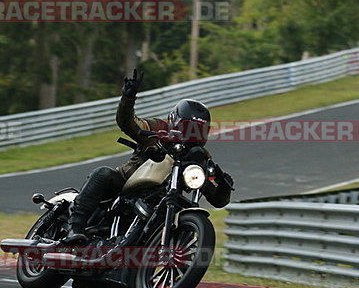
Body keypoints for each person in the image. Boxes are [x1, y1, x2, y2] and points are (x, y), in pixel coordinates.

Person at [65, 70, 234, 244]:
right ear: (175, 122)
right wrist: (127, 98)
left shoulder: (199, 157)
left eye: (199, 130)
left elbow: (217, 199)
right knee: (102, 174)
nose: (193, 134)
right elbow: (129, 123)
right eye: (189, 127)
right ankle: (75, 227)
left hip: (164, 198)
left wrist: (224, 186)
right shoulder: (158, 128)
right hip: (128, 180)